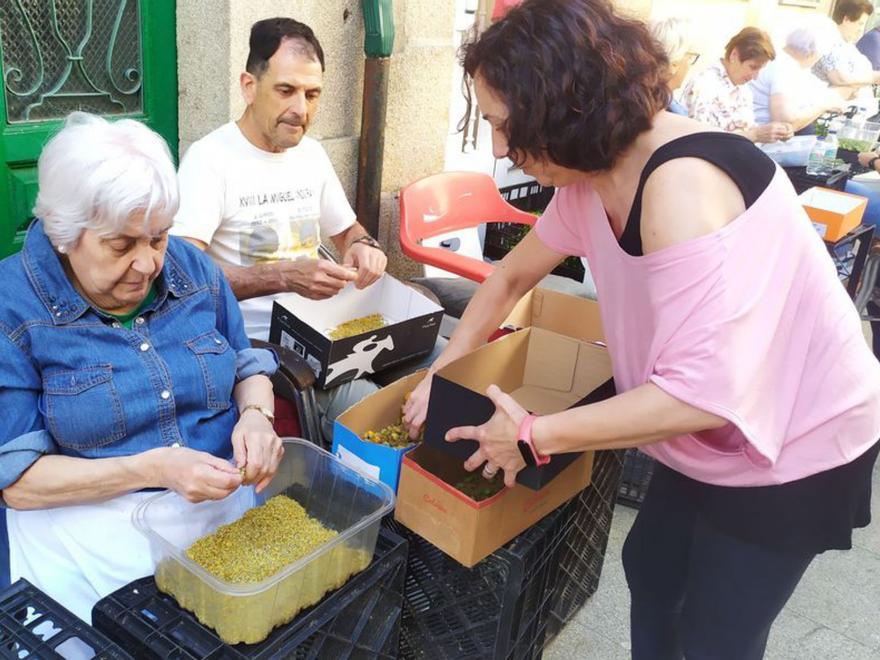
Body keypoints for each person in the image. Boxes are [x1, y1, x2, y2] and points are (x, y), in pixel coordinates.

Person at [402, 2, 880, 658]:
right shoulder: (587, 179)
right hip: (711, 429)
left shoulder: (683, 190)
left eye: (505, 126)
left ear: (565, 109)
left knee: (718, 632)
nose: (500, 150)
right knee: (652, 569)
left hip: (798, 435)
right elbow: (509, 280)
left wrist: (534, 435)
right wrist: (441, 373)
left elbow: (695, 396)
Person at [0, 113, 282, 622]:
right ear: (65, 233)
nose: (149, 264)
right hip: (88, 539)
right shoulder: (12, 306)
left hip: (219, 517)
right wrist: (152, 468)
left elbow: (245, 365)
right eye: (121, 245)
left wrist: (258, 416)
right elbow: (18, 482)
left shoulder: (192, 269)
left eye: (159, 237)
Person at [172, 18, 441, 443]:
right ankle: (395, 503)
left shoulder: (311, 155)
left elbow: (348, 230)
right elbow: (182, 275)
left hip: (332, 329)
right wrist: (281, 276)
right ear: (248, 85)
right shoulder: (210, 161)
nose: (301, 109)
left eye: (312, 94)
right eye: (286, 90)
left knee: (444, 362)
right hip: (264, 345)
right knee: (375, 406)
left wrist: (365, 247)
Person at [681, 27, 792, 143]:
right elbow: (703, 141)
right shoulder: (704, 85)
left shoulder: (743, 88)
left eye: (760, 70)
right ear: (734, 55)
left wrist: (775, 132)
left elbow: (748, 129)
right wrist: (754, 135)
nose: (755, 77)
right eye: (753, 67)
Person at [749, 17, 847, 134]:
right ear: (813, 52)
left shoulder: (781, 58)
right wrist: (823, 105)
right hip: (766, 139)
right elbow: (784, 121)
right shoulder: (785, 68)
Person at [813, 0, 880, 102]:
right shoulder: (828, 42)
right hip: (833, 111)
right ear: (846, 19)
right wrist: (873, 77)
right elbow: (839, 78)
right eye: (860, 24)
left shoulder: (847, 44)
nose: (861, 29)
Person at [648, 16, 698, 116]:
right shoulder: (664, 113)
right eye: (690, 57)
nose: (690, 65)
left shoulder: (627, 95)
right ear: (674, 64)